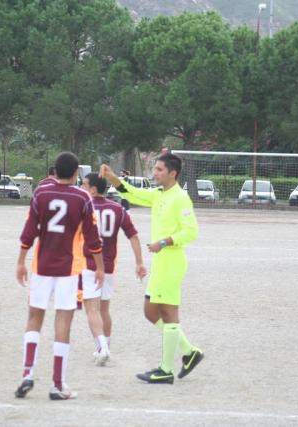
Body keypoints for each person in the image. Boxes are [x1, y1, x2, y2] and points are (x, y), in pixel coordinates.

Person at [100, 153, 203, 384]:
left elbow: (191, 231)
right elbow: (132, 193)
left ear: (172, 173)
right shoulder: (158, 194)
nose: (154, 173)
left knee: (169, 314)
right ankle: (189, 352)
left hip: (172, 261)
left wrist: (164, 242)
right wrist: (112, 177)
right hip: (161, 262)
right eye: (155, 168)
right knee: (150, 311)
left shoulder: (181, 198)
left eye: (159, 169)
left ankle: (166, 370)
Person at [15, 152, 104, 400]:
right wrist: (99, 267)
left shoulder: (41, 194)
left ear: (54, 171)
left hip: (41, 266)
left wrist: (21, 262)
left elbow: (29, 232)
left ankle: (27, 374)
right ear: (76, 173)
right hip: (68, 269)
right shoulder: (83, 198)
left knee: (34, 318)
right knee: (63, 322)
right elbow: (93, 238)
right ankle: (57, 384)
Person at [80, 173, 146, 366]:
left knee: (91, 309)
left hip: (89, 264)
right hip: (108, 266)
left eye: (84, 185)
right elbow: (133, 236)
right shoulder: (118, 209)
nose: (82, 188)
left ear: (93, 189)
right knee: (104, 309)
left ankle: (102, 347)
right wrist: (139, 262)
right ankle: (105, 346)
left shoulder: (84, 207)